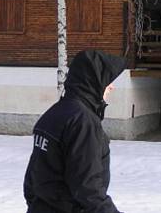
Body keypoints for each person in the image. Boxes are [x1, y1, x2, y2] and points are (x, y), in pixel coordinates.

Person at [23, 49, 126, 213]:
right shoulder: (83, 122)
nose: (111, 87)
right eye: (108, 81)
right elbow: (88, 189)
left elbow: (31, 181)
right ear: (95, 81)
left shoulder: (54, 113)